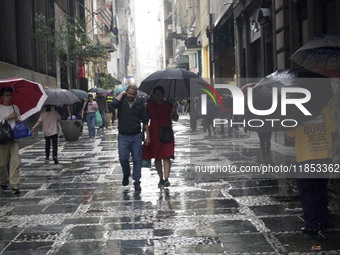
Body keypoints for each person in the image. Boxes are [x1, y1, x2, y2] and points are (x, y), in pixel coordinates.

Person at [286, 101, 338, 235]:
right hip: (324, 156)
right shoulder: (324, 108)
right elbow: (334, 135)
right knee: (321, 188)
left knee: (307, 191)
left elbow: (289, 138)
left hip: (306, 158)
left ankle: (311, 224)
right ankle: (323, 219)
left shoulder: (295, 114)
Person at [112, 85, 150, 192]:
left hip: (136, 135)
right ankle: (126, 173)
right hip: (123, 135)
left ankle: (137, 181)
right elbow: (113, 105)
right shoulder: (121, 101)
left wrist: (147, 136)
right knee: (123, 158)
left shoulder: (139, 103)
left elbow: (145, 120)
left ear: (136, 94)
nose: (131, 96)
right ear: (126, 92)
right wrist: (121, 94)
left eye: (133, 94)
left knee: (137, 159)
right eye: (129, 93)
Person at [143, 86, 178, 187]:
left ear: (163, 94)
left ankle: (166, 178)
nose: (158, 96)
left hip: (167, 132)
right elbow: (145, 121)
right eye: (156, 93)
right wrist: (146, 135)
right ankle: (161, 178)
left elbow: (175, 119)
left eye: (160, 93)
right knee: (157, 157)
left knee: (166, 155)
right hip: (154, 132)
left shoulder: (169, 105)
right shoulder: (149, 106)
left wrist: (174, 112)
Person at [0, 88, 21, 195]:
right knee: (2, 163)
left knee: (15, 161)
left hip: (14, 137)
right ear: (2, 97)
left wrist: (17, 119)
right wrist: (8, 117)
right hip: (2, 138)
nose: (9, 97)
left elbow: (19, 119)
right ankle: (3, 181)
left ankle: (14, 184)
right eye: (7, 95)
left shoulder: (15, 107)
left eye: (10, 95)